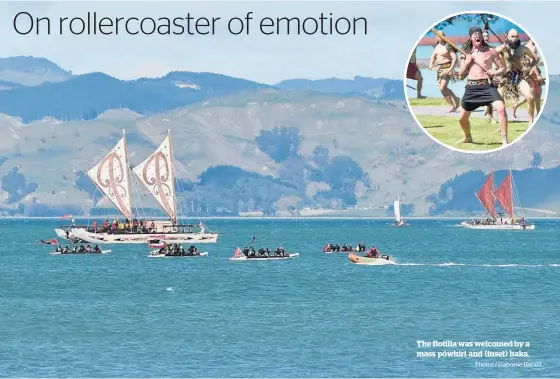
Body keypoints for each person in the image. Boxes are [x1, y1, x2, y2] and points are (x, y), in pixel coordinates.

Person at [457, 26, 507, 146]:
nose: (477, 36)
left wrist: (494, 72)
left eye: (479, 34)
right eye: (475, 35)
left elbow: (503, 68)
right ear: (470, 38)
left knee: (501, 108)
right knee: (462, 119)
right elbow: (460, 75)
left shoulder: (491, 51)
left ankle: (505, 140)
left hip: (487, 87)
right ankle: (468, 137)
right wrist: (467, 63)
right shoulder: (466, 54)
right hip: (471, 88)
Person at [495, 29, 540, 124]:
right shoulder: (503, 48)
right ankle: (502, 124)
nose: (515, 39)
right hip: (505, 77)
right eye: (512, 37)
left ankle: (531, 122)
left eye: (516, 36)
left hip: (518, 76)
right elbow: (491, 54)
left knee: (530, 97)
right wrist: (502, 48)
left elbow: (536, 58)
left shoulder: (523, 48)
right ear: (506, 36)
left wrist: (529, 67)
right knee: (500, 103)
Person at [512, 39, 544, 118]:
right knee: (531, 95)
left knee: (538, 93)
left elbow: (536, 60)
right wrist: (527, 70)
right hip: (530, 74)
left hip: (536, 73)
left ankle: (539, 114)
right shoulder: (526, 47)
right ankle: (516, 105)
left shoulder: (534, 46)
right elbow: (524, 62)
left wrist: (538, 72)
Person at [428, 31, 460, 112]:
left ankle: (455, 100)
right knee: (442, 89)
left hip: (448, 67)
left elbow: (455, 59)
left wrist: (450, 69)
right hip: (440, 68)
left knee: (442, 87)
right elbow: (433, 57)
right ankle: (453, 103)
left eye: (442, 34)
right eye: (438, 35)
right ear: (436, 37)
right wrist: (431, 64)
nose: (440, 36)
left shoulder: (448, 46)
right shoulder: (436, 46)